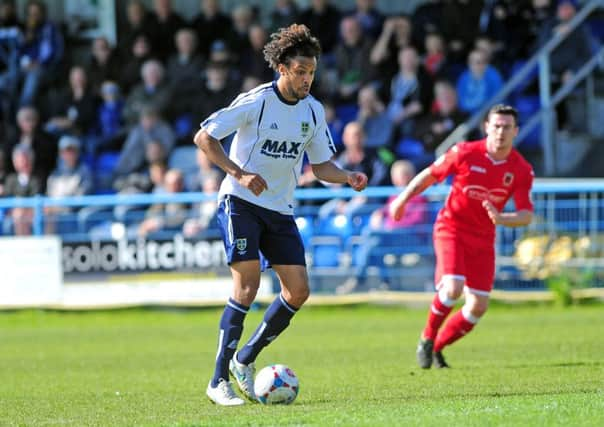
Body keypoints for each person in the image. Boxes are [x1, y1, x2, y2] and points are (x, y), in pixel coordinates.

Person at [194, 23, 368, 406]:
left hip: (279, 209)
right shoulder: (256, 101)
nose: (308, 79)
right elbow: (204, 137)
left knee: (299, 291)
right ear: (283, 69)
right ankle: (217, 380)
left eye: (312, 72)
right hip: (239, 202)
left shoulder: (313, 111)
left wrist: (348, 177)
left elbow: (322, 167)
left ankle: (245, 359)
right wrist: (239, 173)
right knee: (247, 285)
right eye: (301, 71)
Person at [389, 104, 534, 369]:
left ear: (516, 131)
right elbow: (432, 174)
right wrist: (403, 199)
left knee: (478, 306)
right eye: (497, 126)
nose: (501, 132)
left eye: (507, 127)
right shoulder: (465, 152)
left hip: (484, 238)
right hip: (452, 228)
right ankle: (426, 338)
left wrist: (502, 219)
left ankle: (438, 348)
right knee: (453, 288)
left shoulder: (521, 169)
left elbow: (526, 214)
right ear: (487, 127)